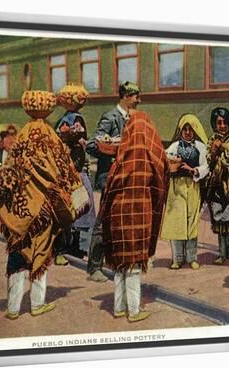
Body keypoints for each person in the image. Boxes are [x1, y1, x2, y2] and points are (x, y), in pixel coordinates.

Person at [0, 111, 90, 319]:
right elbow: (66, 170)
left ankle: (12, 309)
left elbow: (5, 178)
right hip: (44, 211)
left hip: (20, 211)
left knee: (17, 255)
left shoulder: (22, 138)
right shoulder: (51, 138)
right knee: (42, 252)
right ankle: (37, 304)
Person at [100, 111, 168, 322]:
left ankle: (119, 307)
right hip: (140, 210)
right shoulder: (149, 156)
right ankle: (134, 310)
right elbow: (162, 171)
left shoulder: (121, 158)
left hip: (118, 212)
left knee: (120, 263)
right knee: (135, 264)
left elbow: (108, 189)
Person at [85, 81, 141, 282]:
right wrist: (111, 143)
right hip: (110, 178)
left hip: (127, 178)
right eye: (135, 96)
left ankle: (120, 263)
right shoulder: (111, 117)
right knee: (104, 222)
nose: (138, 100)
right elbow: (93, 144)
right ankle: (94, 268)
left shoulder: (132, 118)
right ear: (126, 96)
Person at [161, 114, 210, 270]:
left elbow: (206, 166)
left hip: (192, 187)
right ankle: (177, 258)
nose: (187, 132)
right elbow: (165, 158)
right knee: (177, 221)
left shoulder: (201, 148)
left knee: (191, 222)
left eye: (190, 129)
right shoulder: (175, 146)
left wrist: (194, 170)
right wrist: (170, 162)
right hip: (176, 187)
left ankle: (192, 257)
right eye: (185, 129)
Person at [53, 112, 96, 264]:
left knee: (81, 209)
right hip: (68, 175)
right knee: (67, 210)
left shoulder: (79, 142)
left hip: (78, 174)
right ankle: (62, 248)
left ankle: (75, 246)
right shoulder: (64, 141)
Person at [205, 107, 229, 266]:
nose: (221, 125)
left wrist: (224, 147)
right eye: (218, 122)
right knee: (220, 221)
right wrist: (214, 150)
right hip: (217, 185)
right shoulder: (212, 139)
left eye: (224, 122)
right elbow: (209, 160)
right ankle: (221, 254)